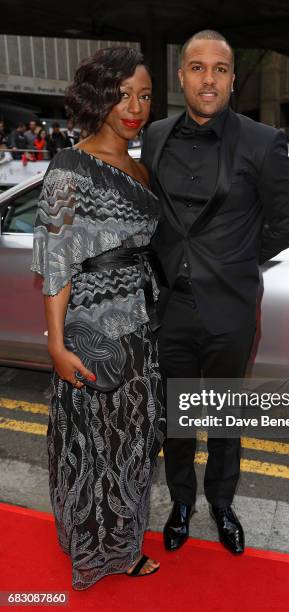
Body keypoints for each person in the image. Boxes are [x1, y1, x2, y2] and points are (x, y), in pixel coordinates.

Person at [141, 30, 289, 556]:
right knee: (179, 416)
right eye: (197, 67)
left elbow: (286, 224)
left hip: (230, 309)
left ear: (232, 79)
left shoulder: (262, 141)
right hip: (172, 305)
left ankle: (222, 503)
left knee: (225, 416)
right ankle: (181, 503)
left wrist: (234, 263)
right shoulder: (158, 134)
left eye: (219, 69)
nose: (208, 78)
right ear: (182, 75)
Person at [30, 46, 165, 590]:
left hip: (141, 326)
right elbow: (56, 262)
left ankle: (124, 542)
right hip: (91, 329)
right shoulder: (69, 168)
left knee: (134, 442)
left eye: (145, 95)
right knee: (91, 444)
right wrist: (57, 346)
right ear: (98, 98)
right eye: (122, 94)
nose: (134, 106)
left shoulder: (140, 166)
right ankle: (95, 548)